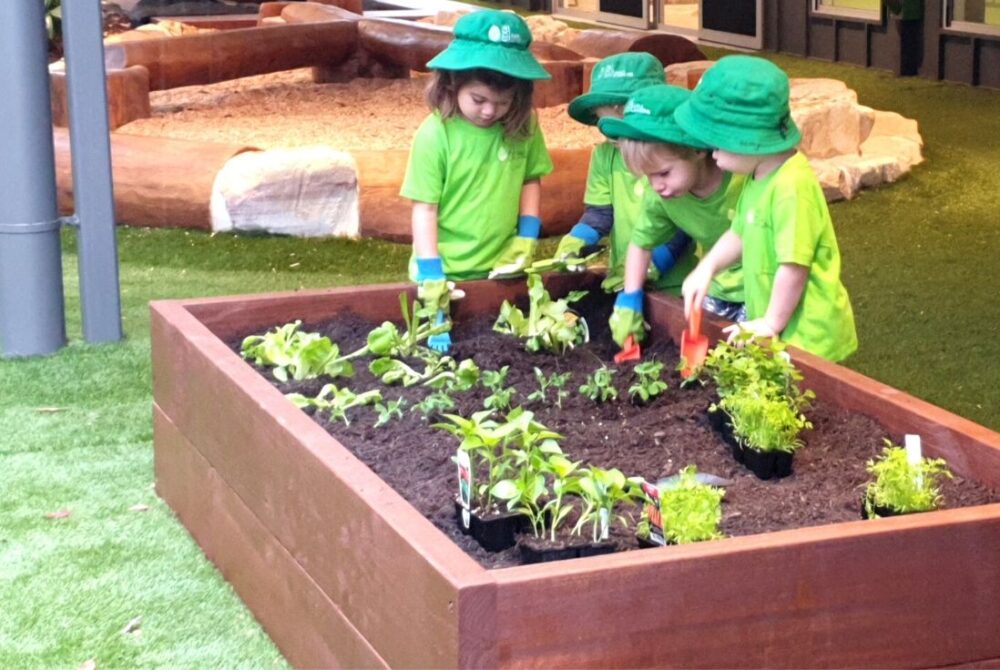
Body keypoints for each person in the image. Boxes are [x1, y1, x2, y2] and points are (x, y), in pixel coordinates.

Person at [674, 55, 857, 362]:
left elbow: (794, 265)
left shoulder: (791, 186)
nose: (712, 153)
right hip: (780, 325)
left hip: (809, 335)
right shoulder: (757, 176)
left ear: (749, 139)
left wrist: (771, 322)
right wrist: (706, 268)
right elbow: (740, 233)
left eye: (718, 143)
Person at [400, 9, 554, 351]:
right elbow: (424, 209)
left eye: (502, 102)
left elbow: (531, 179)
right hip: (446, 271)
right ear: (452, 83)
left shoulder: (524, 126)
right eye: (479, 100)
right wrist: (432, 279)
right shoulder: (435, 135)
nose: (489, 111)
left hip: (502, 270)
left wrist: (526, 239)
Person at [596, 84, 747, 348]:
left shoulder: (741, 179)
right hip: (717, 285)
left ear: (697, 150)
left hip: (764, 286)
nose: (656, 185)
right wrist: (631, 299)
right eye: (648, 176)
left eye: (664, 173)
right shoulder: (661, 196)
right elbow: (641, 244)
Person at [554, 52, 693, 295]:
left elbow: (688, 223)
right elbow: (600, 213)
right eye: (604, 126)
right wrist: (577, 239)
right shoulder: (604, 155)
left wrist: (655, 262)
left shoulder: (674, 155)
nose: (612, 136)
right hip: (625, 275)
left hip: (677, 283)